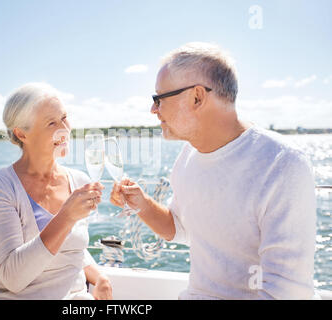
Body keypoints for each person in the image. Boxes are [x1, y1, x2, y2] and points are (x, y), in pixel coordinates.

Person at [110, 42, 317, 300]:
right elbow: (180, 229)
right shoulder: (188, 156)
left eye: (159, 98)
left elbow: (286, 294)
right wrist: (142, 204)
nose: (153, 109)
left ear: (197, 97)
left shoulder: (282, 164)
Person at [0, 83, 112, 300]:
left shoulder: (78, 181)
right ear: (22, 134)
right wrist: (66, 216)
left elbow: (70, 247)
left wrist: (99, 276)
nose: (64, 129)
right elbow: (14, 279)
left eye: (64, 117)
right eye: (51, 123)